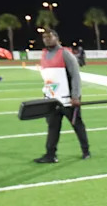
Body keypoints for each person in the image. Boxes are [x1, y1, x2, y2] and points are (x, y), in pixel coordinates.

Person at [34, 29, 91, 163]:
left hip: (68, 99)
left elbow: (75, 76)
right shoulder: (44, 54)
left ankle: (86, 151)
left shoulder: (65, 54)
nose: (47, 39)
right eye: (44, 37)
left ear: (57, 38)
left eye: (50, 37)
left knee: (77, 125)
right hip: (52, 99)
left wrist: (75, 96)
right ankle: (50, 155)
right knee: (53, 127)